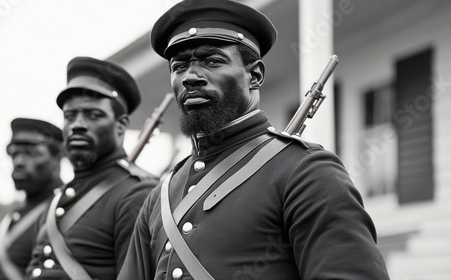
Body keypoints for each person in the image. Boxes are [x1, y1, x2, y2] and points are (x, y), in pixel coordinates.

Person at [117, 1, 390, 279]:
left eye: (212, 61)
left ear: (255, 75)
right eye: (179, 66)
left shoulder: (305, 172)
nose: (191, 77)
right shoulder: (160, 198)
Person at [25, 57, 157, 280]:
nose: (77, 124)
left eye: (93, 115)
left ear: (121, 125)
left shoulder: (137, 193)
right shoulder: (59, 199)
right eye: (70, 116)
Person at [0, 118, 64, 280]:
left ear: (58, 157)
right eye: (14, 153)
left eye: (32, 152)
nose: (18, 161)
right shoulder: (16, 215)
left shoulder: (64, 210)